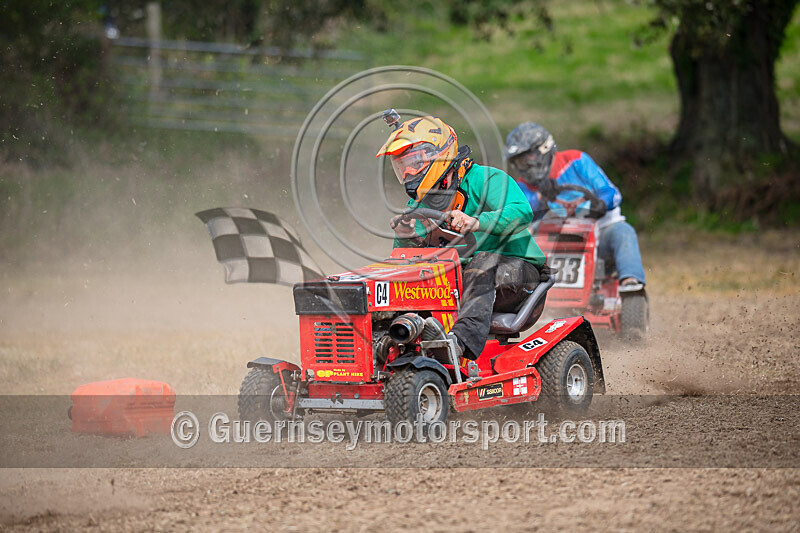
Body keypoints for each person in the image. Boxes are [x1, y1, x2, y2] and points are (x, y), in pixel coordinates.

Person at [376, 115, 546, 360]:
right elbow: (406, 261)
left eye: (414, 162)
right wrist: (405, 236)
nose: (408, 173)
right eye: (402, 166)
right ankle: (391, 343)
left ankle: (458, 345)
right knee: (407, 277)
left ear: (439, 155)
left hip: (519, 276)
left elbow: (522, 211)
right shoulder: (417, 205)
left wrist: (478, 222)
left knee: (482, 263)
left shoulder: (485, 179)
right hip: (461, 281)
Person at [505, 122, 646, 287]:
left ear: (543, 149)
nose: (525, 166)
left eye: (527, 158)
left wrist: (599, 205)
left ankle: (631, 282)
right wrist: (540, 197)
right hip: (554, 242)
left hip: (599, 231)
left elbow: (612, 193)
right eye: (519, 161)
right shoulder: (522, 185)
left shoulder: (576, 160)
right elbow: (520, 214)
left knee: (623, 232)